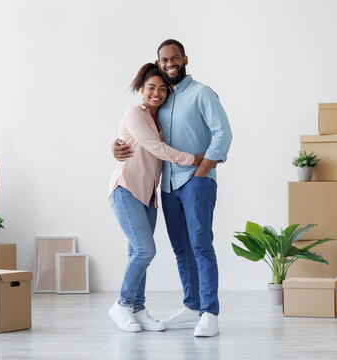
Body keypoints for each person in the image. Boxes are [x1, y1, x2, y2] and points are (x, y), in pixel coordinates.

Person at [113, 39, 232, 337]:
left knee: (201, 246)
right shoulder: (161, 100)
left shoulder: (202, 93)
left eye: (174, 58)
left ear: (185, 59)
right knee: (181, 249)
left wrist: (202, 170)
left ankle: (209, 313)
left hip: (195, 182)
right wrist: (114, 146)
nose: (169, 63)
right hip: (165, 187)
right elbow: (143, 139)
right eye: (164, 59)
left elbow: (223, 133)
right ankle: (192, 306)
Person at [108, 62, 204, 333]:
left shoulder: (158, 121)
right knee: (144, 250)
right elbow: (156, 148)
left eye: (162, 89)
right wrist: (194, 160)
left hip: (148, 197)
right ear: (141, 89)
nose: (157, 93)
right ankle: (122, 304)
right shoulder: (134, 114)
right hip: (125, 190)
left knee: (135, 252)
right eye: (151, 87)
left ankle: (137, 309)